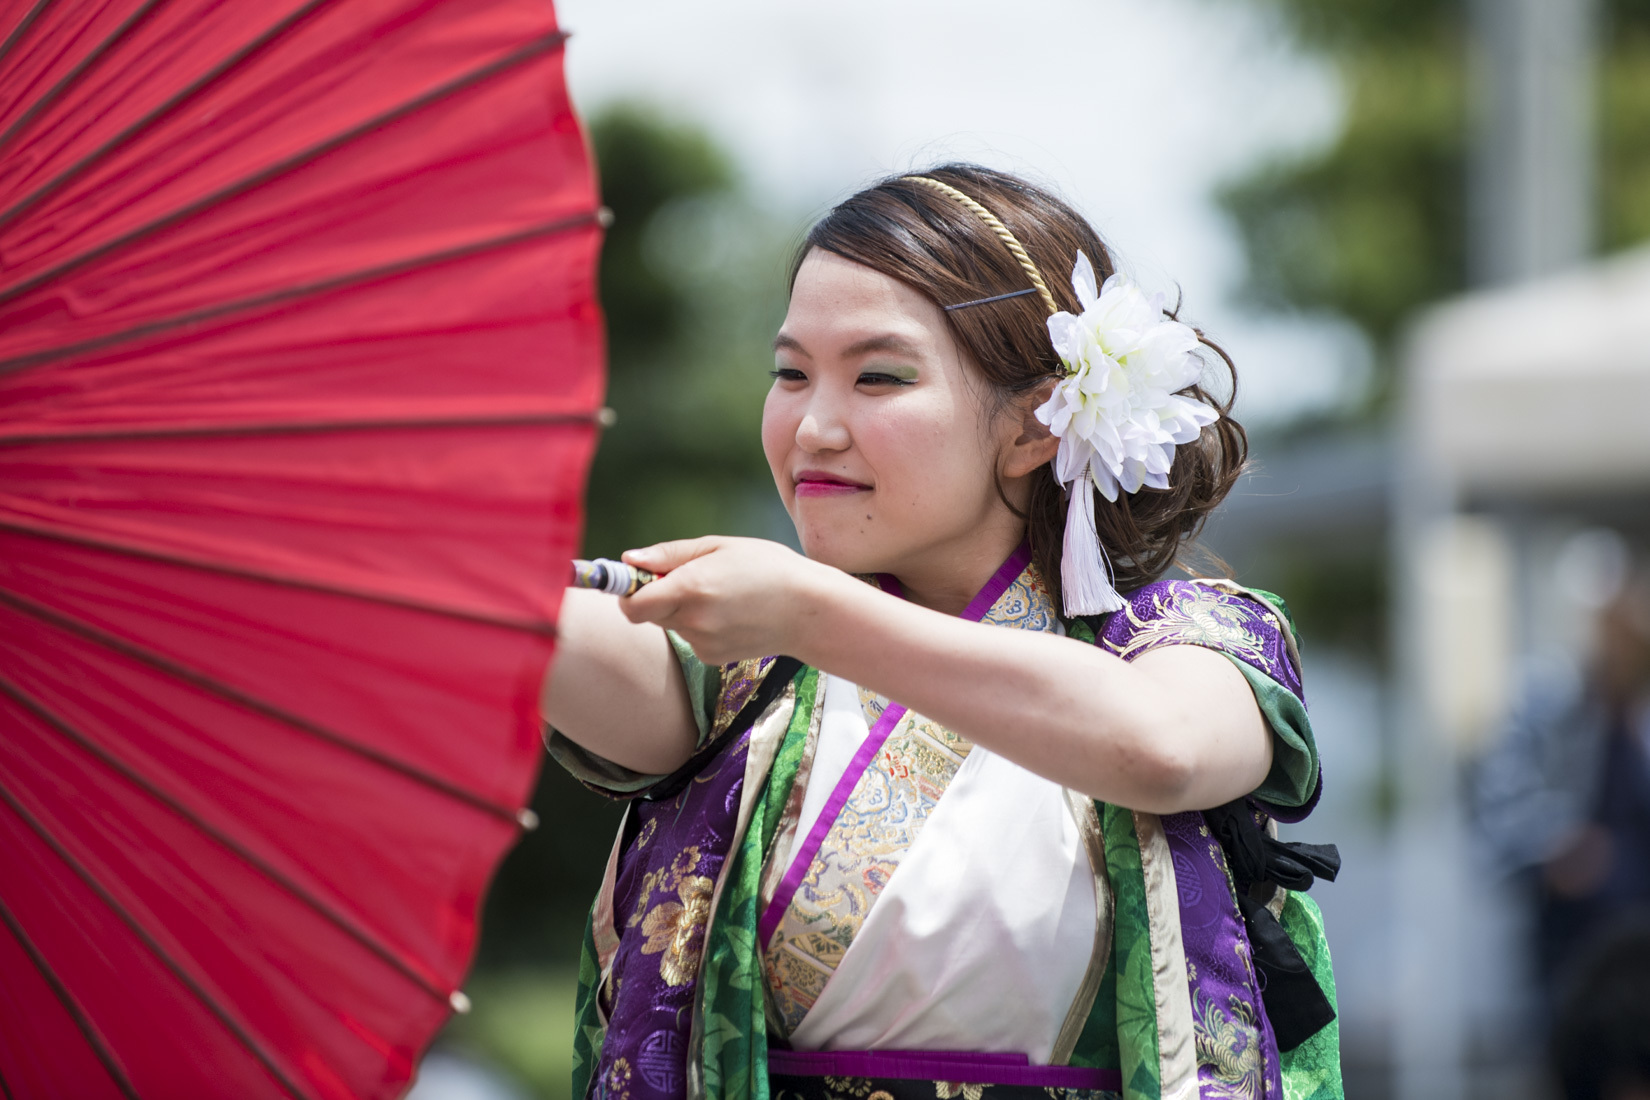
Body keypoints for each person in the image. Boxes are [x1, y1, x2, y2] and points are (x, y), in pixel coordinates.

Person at [542, 165, 1341, 1100]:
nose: (814, 427)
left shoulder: (1194, 644)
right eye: (790, 373)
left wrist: (809, 609)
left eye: (878, 376)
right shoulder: (750, 674)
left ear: (1037, 424)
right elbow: (510, 620)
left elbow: (1156, 750)